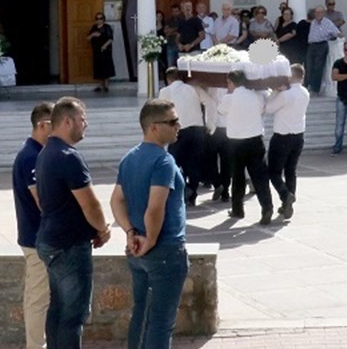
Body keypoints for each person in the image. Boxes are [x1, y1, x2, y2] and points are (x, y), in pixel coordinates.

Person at [110, 99, 189, 348]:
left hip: (138, 249)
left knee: (141, 314)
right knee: (161, 321)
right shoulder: (163, 162)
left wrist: (131, 232)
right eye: (172, 122)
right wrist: (150, 239)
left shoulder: (129, 158)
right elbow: (155, 208)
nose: (178, 126)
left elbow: (116, 201)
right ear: (154, 127)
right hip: (163, 248)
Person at [35, 97, 111, 348]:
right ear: (67, 121)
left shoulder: (46, 152)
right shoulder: (68, 157)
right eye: (82, 119)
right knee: (72, 315)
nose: (85, 124)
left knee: (58, 308)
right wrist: (103, 229)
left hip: (51, 240)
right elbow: (90, 204)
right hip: (68, 245)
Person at [12, 102, 54, 349]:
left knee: (35, 297)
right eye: (53, 124)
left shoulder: (34, 153)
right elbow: (42, 200)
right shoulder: (32, 156)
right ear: (41, 125)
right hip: (36, 238)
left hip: (33, 236)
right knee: (38, 299)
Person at [219, 70, 274, 224]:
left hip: (236, 142)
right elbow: (262, 110)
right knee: (260, 177)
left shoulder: (229, 98)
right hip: (255, 139)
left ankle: (238, 209)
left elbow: (220, 111)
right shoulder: (256, 95)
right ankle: (267, 206)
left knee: (238, 177)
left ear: (231, 82)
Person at [158, 68, 216, 206]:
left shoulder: (165, 91)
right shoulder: (194, 88)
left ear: (168, 79)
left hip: (178, 130)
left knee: (174, 163)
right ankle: (192, 192)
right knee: (194, 163)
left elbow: (161, 113)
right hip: (197, 129)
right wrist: (210, 123)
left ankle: (183, 190)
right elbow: (210, 103)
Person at [265, 64, 310, 219]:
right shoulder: (305, 92)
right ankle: (288, 202)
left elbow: (268, 108)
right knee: (291, 170)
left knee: (274, 172)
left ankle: (286, 195)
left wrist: (276, 92)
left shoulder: (285, 95)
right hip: (298, 136)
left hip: (282, 136)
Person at [306, 6, 343, 94]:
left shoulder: (327, 23)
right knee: (309, 66)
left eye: (320, 12)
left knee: (318, 67)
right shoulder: (313, 22)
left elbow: (336, 32)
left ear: (323, 13)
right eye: (316, 12)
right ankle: (309, 85)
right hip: (312, 45)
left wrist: (339, 36)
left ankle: (315, 89)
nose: (318, 14)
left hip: (321, 45)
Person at [88, 12, 114, 92]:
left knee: (106, 66)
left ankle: (106, 85)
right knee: (98, 67)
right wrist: (93, 35)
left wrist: (104, 46)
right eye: (97, 18)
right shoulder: (94, 27)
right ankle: (99, 85)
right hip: (96, 50)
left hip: (105, 50)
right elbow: (88, 38)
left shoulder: (107, 27)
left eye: (100, 18)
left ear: (103, 19)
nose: (98, 20)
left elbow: (110, 39)